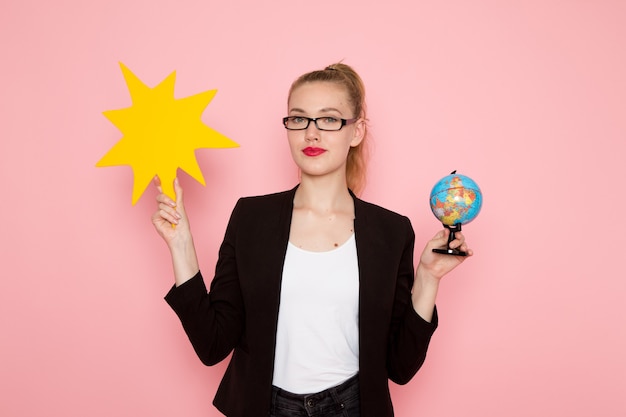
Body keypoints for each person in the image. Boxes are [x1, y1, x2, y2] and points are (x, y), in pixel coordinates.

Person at [152, 63, 472, 417]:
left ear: (356, 131)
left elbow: (400, 366)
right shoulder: (250, 218)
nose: (311, 133)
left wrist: (428, 278)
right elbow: (212, 344)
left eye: (329, 119)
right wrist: (180, 243)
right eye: (299, 119)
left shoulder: (391, 231)